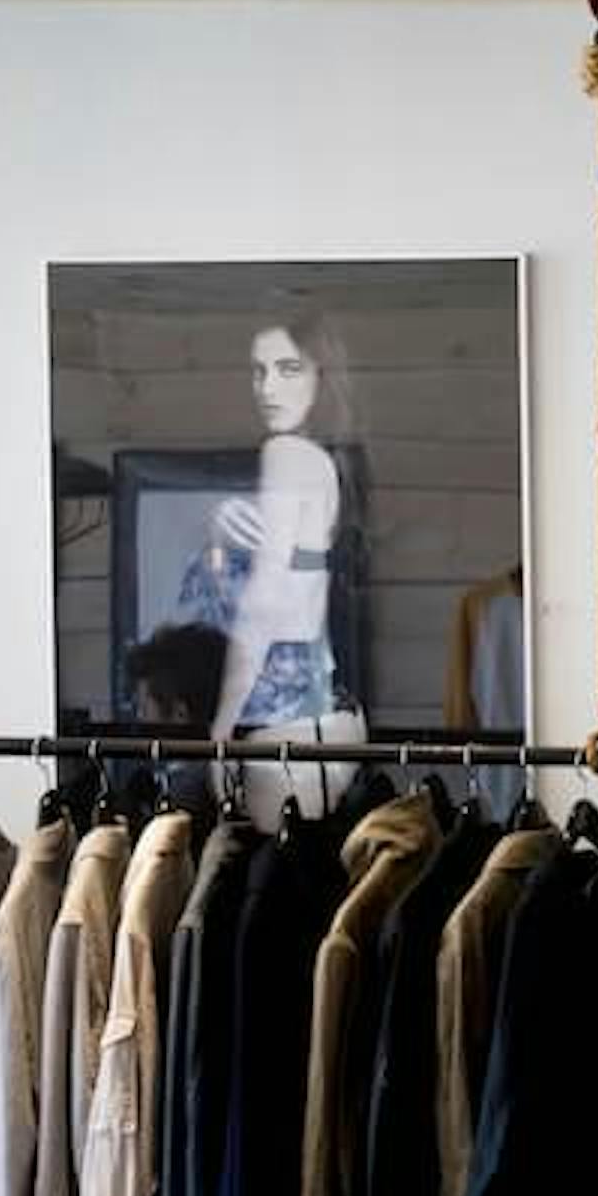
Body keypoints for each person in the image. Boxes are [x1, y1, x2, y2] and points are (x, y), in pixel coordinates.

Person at [168, 316, 363, 819]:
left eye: (289, 369)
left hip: (280, 719)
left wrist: (223, 720)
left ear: (322, 378)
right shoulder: (318, 462)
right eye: (259, 371)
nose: (268, 387)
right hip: (318, 707)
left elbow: (267, 601)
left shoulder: (288, 455)